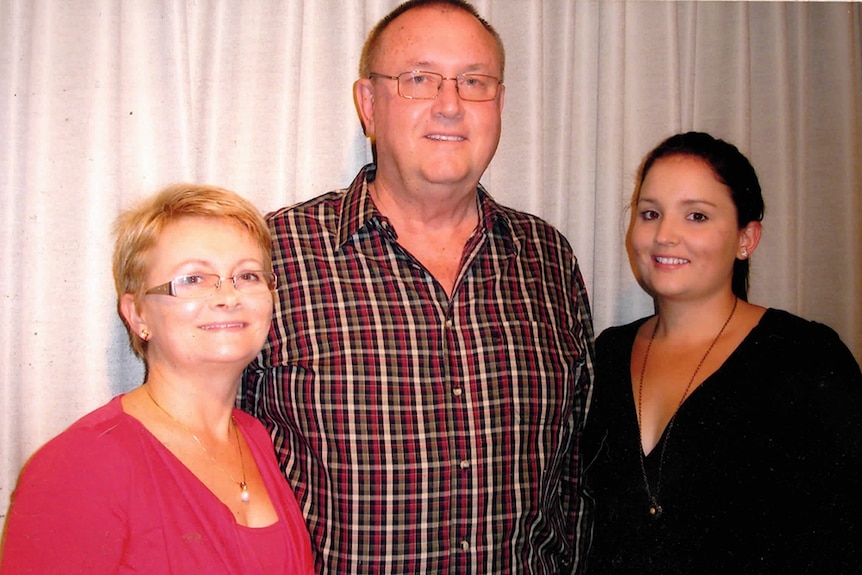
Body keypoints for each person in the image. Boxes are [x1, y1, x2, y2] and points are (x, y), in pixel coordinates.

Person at [240, 1, 595, 572]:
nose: (450, 105)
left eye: (474, 82)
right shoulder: (274, 254)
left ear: (499, 105)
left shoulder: (548, 259)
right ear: (368, 105)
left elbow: (573, 477)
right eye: (419, 79)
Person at [582, 131, 862, 573]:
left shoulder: (804, 357)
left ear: (746, 238)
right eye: (650, 213)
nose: (665, 235)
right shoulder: (607, 354)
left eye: (696, 216)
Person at [0, 184, 314, 574]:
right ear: (137, 314)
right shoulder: (80, 465)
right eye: (194, 279)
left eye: (247, 275)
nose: (228, 296)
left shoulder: (257, 439)